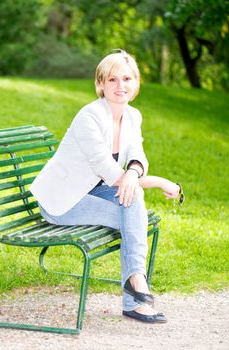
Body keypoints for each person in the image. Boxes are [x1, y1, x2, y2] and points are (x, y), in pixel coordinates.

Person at [30, 49, 183, 324]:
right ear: (100, 84)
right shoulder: (89, 117)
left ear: (136, 84)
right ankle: (136, 290)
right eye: (112, 80)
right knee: (133, 217)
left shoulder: (133, 116)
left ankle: (134, 288)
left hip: (95, 191)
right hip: (63, 202)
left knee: (132, 199)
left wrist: (137, 175)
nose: (120, 86)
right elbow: (110, 171)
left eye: (127, 79)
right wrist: (155, 182)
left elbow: (137, 159)